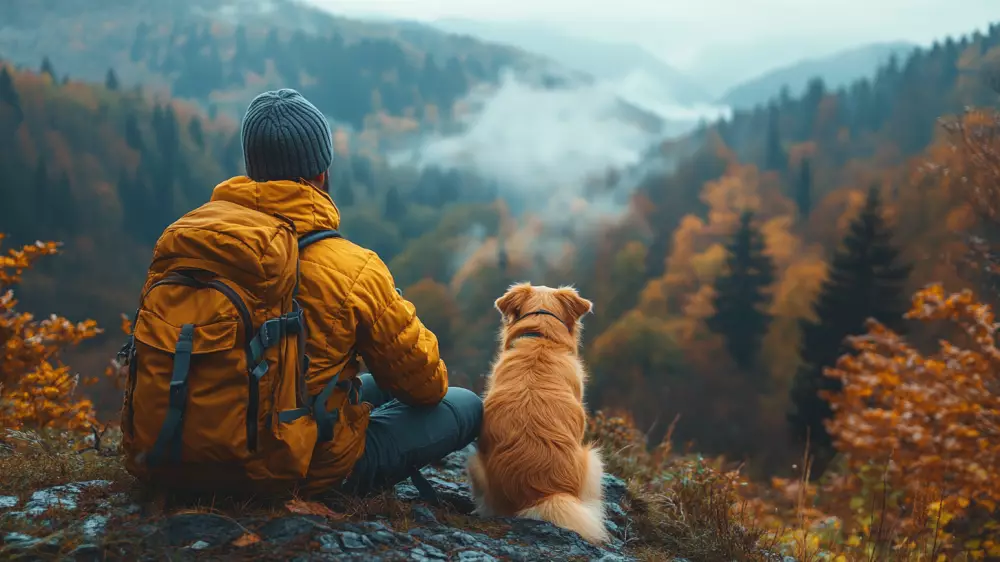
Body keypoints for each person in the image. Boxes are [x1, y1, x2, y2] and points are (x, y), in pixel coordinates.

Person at [223, 88, 483, 496]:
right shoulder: (351, 266)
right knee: (464, 404)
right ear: (322, 172)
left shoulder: (193, 241)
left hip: (196, 441)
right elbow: (426, 385)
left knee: (364, 386)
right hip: (303, 467)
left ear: (252, 168)